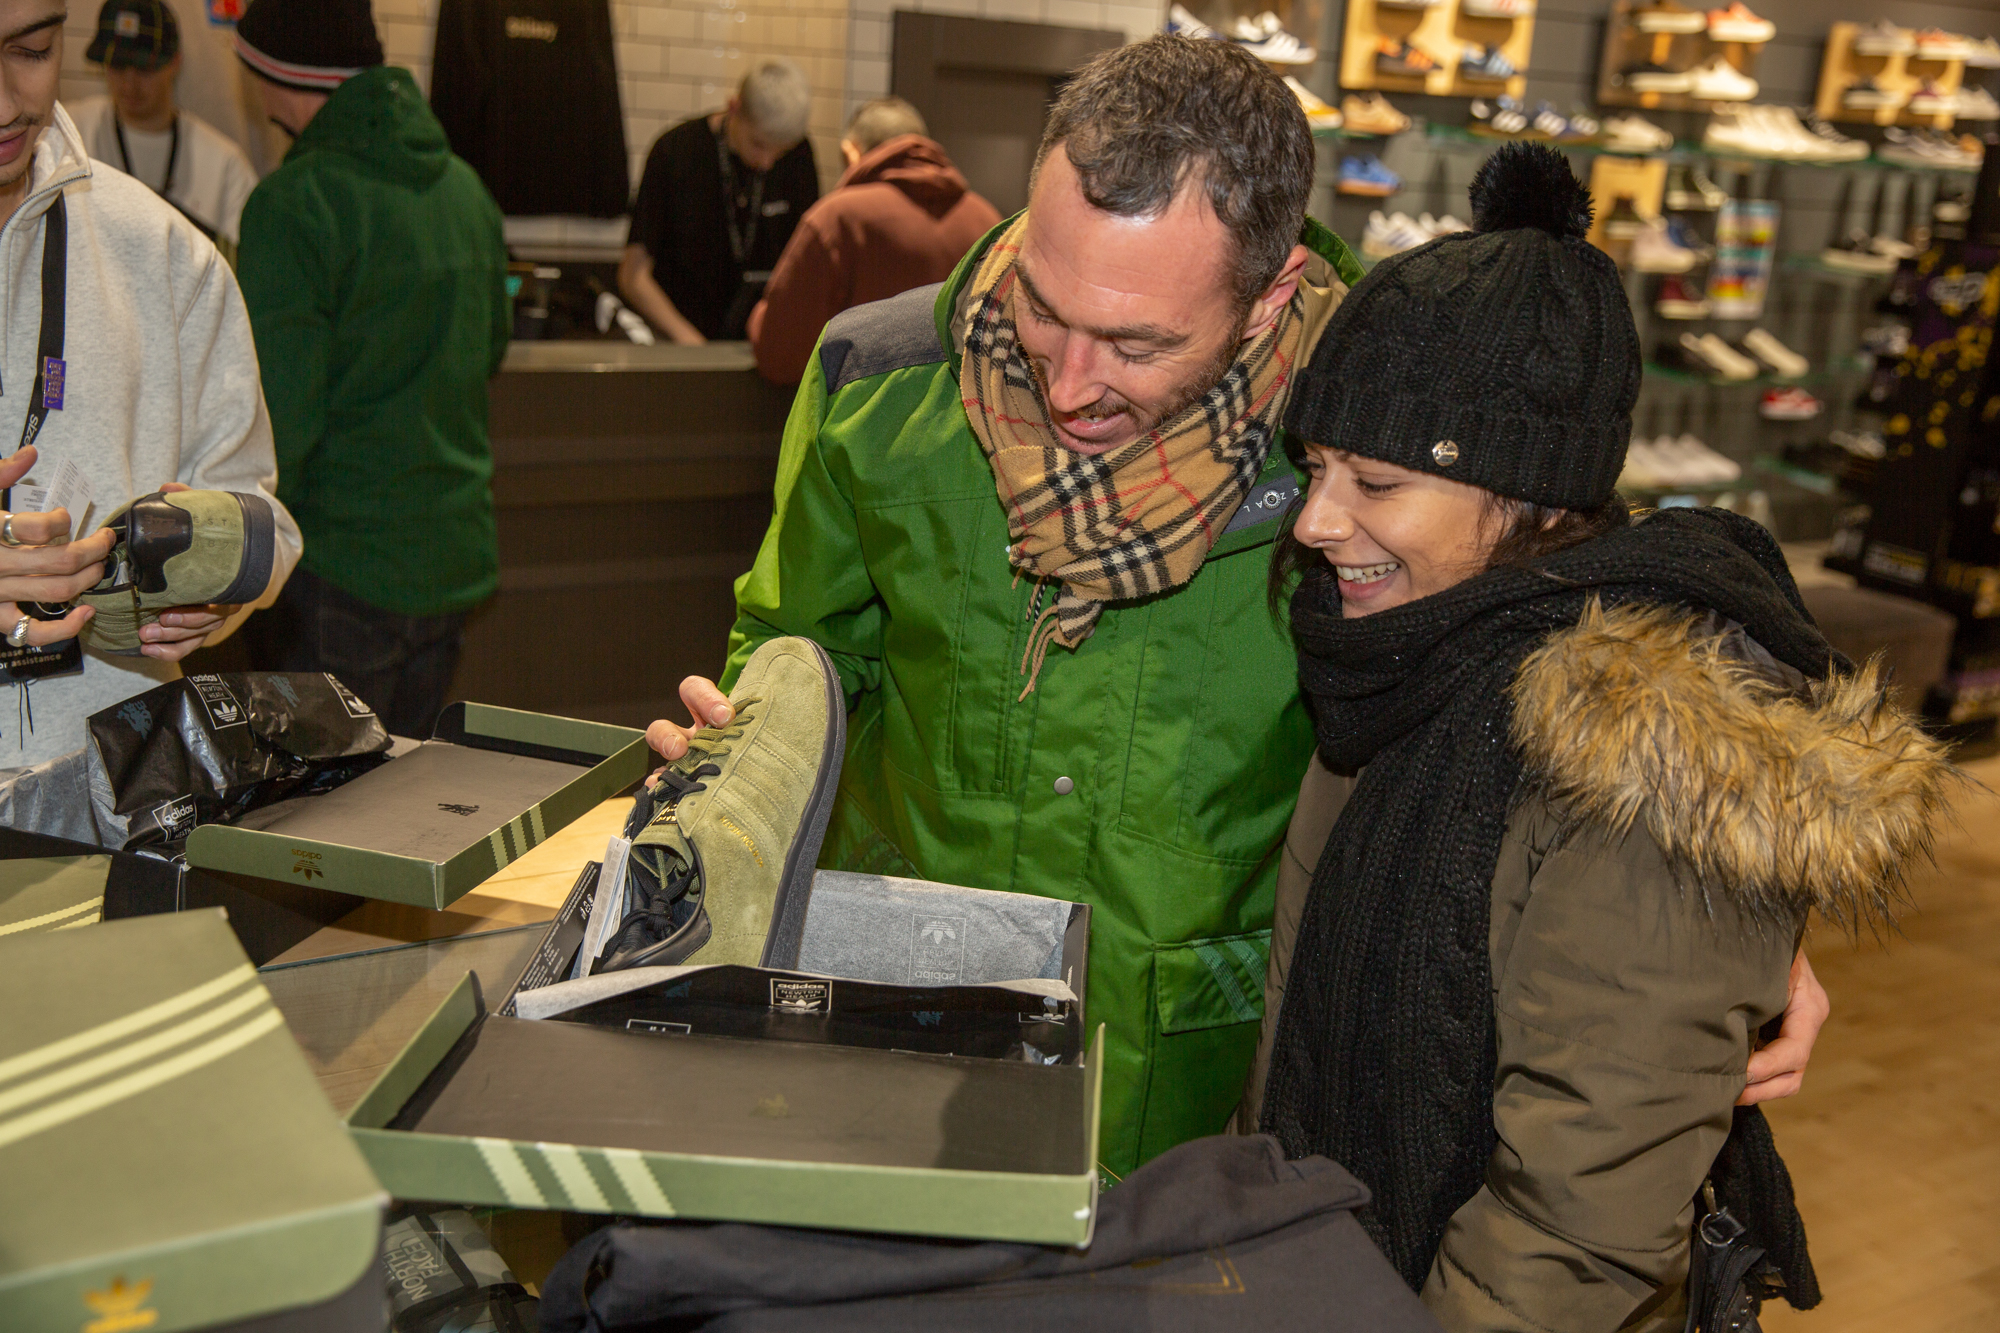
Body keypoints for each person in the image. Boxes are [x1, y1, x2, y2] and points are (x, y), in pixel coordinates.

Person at [646, 39, 1829, 1179]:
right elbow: (798, 646)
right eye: (1041, 304)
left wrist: (1718, 923)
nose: (1066, 384)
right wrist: (736, 761)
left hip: (1203, 1098)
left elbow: (1561, 657)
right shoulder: (874, 380)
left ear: (1263, 306)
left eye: (1135, 343)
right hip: (897, 1027)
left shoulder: (1366, 442)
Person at [1248, 144, 1951, 1330]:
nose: (1316, 521)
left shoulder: (1638, 755)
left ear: (1526, 495)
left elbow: (1575, 1224)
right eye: (1317, 468)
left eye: (1374, 482)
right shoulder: (1401, 654)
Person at [0, 0, 298, 767]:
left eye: (31, 51)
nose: (5, 103)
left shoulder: (163, 253)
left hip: (108, 783)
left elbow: (260, 519)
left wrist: (213, 589)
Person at [231, 0, 509, 739]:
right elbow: (490, 350)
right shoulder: (466, 191)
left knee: (320, 802)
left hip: (339, 568)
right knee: (404, 788)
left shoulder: (294, 204)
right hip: (449, 561)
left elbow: (278, 420)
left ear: (272, 74)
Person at [747, 97, 1000, 385]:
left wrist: (758, 317)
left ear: (850, 152)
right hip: (959, 411)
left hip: (862, 410)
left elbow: (780, 355)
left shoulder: (838, 219)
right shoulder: (987, 221)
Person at [620, 60, 817, 345]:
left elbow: (806, 265)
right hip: (678, 342)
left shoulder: (799, 155)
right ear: (734, 108)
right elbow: (633, 276)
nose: (767, 162)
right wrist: (691, 344)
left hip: (760, 344)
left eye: (780, 152)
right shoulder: (675, 152)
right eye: (759, 144)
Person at [67, 0, 259, 253]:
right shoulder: (68, 134)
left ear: (175, 62)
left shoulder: (224, 165)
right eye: (117, 67)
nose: (129, 84)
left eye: (144, 69)